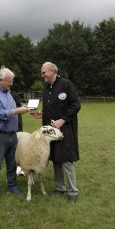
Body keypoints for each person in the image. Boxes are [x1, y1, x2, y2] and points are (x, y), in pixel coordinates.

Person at [0, 67, 29, 202]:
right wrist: (17, 111)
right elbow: (0, 114)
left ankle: (12, 186)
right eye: (9, 81)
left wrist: (22, 111)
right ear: (0, 80)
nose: (11, 84)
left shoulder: (8, 93)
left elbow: (10, 111)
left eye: (12, 81)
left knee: (12, 164)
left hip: (11, 135)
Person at [41, 62, 81, 203]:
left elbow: (76, 105)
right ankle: (59, 188)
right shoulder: (46, 88)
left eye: (44, 72)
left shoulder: (66, 84)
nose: (42, 75)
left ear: (53, 71)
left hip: (65, 128)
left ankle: (73, 192)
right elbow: (49, 109)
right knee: (56, 158)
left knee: (66, 159)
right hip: (51, 130)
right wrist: (42, 115)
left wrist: (62, 120)